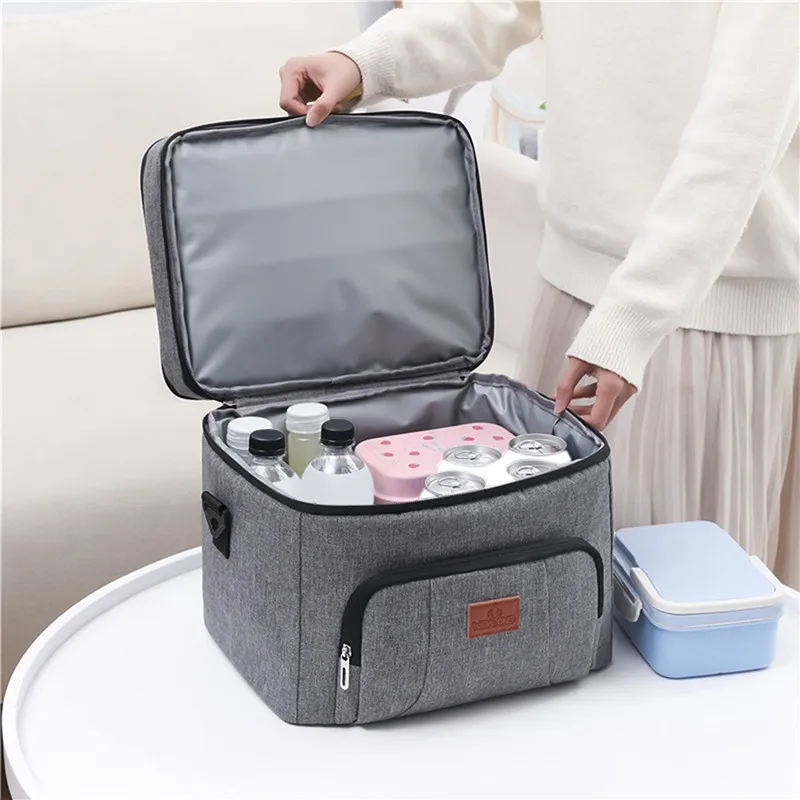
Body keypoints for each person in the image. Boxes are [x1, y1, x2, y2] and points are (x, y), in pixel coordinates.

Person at [278, 0, 799, 588]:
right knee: (547, 592)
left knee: (674, 601)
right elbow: (493, 9)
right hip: (570, 298)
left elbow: (737, 136)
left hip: (701, 317)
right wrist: (365, 62)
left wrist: (631, 321)